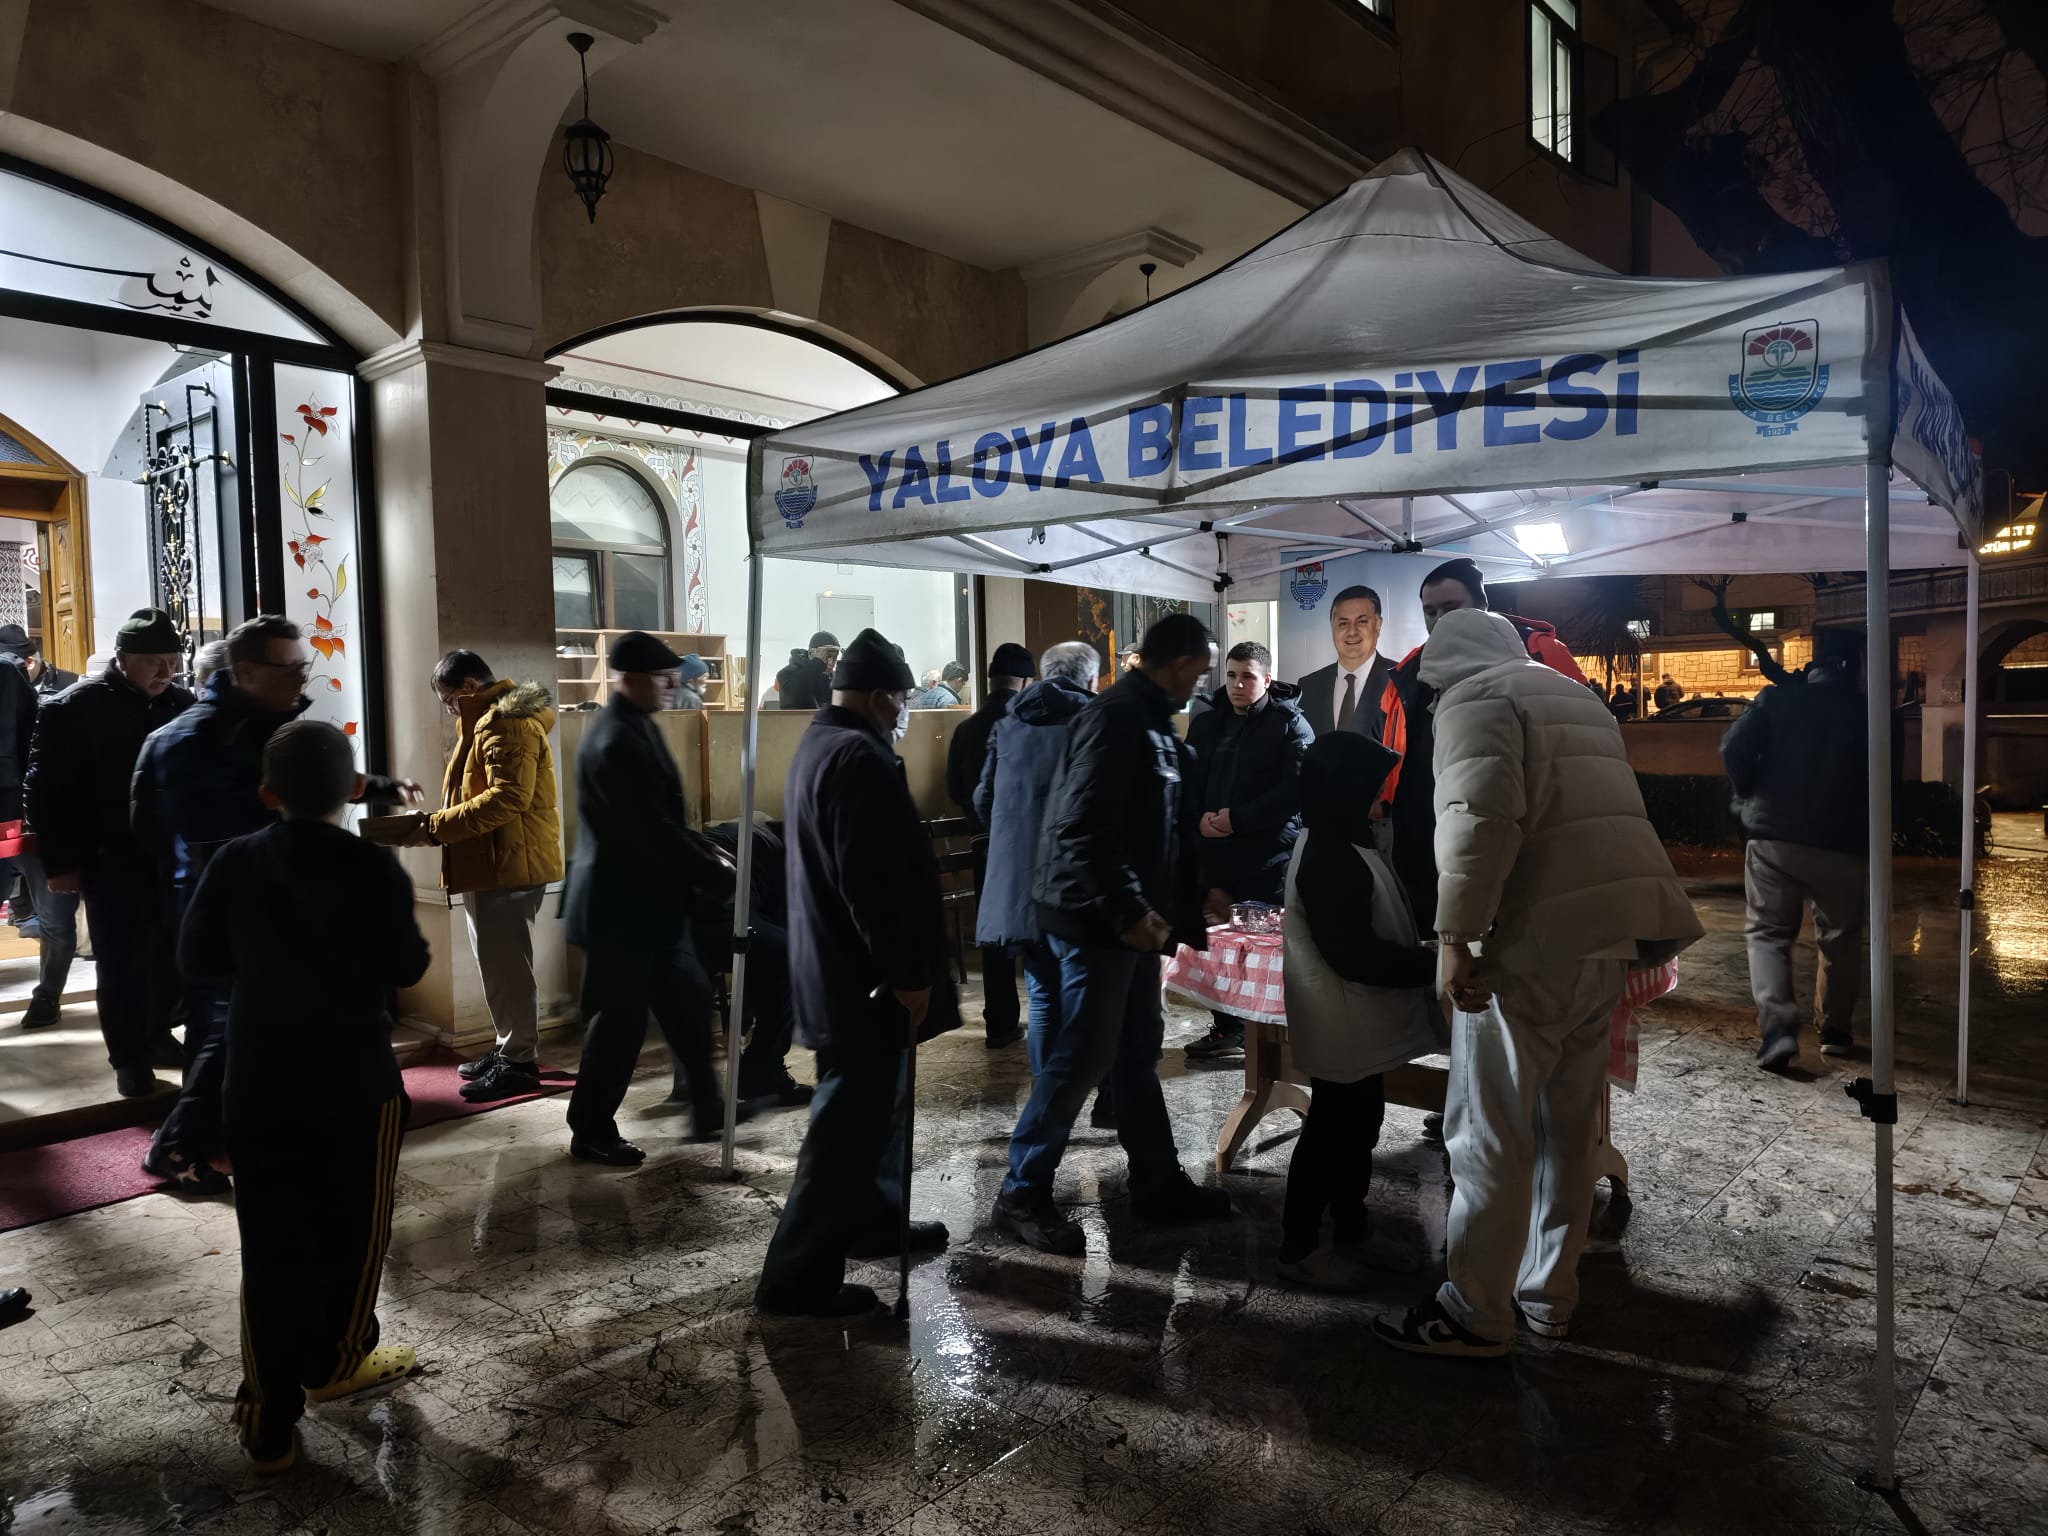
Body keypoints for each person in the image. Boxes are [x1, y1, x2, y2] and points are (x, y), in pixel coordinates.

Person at [1374, 610, 1700, 1359]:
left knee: (1490, 1129)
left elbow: (1477, 820)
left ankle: (1474, 1310)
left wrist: (1455, 938)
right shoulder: (1572, 695)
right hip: (1607, 941)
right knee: (1569, 1127)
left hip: (1527, 948)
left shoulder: (1474, 699)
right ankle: (1550, 1295)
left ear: (1442, 673)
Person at [179, 720, 430, 1472]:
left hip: (259, 1080)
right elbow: (410, 964)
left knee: (272, 1244)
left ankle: (266, 1416)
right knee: (355, 1233)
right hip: (354, 1078)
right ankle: (337, 1360)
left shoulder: (233, 862)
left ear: (266, 795)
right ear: (355, 790)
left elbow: (197, 956)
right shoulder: (372, 868)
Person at [135, 617, 420, 1193]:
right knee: (221, 1029)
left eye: (301, 666)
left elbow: (312, 777)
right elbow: (199, 824)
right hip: (226, 907)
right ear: (243, 672)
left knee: (227, 1031)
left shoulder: (261, 726)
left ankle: (205, 1137)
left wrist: (379, 787)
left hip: (254, 904)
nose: (300, 678)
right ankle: (177, 1145)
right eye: (287, 667)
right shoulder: (194, 738)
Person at [992, 614, 1232, 1255]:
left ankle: (1155, 1181)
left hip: (1122, 925)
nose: (1202, 681)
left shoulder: (1148, 717)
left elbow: (1152, 827)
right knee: (1079, 1059)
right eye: (1202, 669)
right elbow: (1082, 830)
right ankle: (1021, 1192)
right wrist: (1128, 910)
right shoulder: (1118, 717)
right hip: (1095, 924)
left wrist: (1187, 894)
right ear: (1180, 664)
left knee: (1132, 1055)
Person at [756, 627, 957, 1318]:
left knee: (875, 1114)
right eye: (900, 700)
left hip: (837, 971)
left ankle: (874, 1220)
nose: (904, 710)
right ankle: (795, 1279)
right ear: (877, 698)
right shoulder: (859, 758)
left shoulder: (820, 742)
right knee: (843, 1131)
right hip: (864, 983)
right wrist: (907, 971)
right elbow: (874, 883)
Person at [1278, 731, 1441, 1291]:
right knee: (1331, 1134)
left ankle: (1351, 1228)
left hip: (1352, 1020)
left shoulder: (1341, 839)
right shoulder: (1328, 856)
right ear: (1344, 791)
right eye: (1373, 791)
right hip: (1341, 1017)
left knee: (1358, 1123)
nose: (1381, 802)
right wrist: (1435, 968)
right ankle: (1298, 1247)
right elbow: (1355, 955)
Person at [561, 632, 732, 1164]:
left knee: (688, 997)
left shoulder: (634, 727)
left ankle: (707, 1107)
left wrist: (699, 855)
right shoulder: (616, 740)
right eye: (662, 678)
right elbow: (646, 827)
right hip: (620, 910)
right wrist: (709, 864)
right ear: (632, 679)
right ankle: (589, 1129)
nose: (671, 686)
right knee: (618, 1025)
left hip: (649, 906)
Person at [24, 609, 193, 1097]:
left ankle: (158, 1033)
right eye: (151, 662)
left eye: (170, 661)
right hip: (108, 857)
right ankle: (129, 1058)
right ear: (122, 659)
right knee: (121, 961)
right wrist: (60, 863)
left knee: (170, 955)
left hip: (172, 858)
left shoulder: (182, 703)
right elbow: (44, 792)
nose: (164, 672)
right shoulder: (71, 707)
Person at [1377, 557, 1587, 934]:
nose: (1440, 618)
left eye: (1451, 607)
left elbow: (1576, 741)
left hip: (1521, 841)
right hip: (1425, 841)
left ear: (1482, 604)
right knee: (1442, 959)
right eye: (1430, 611)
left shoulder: (1539, 656)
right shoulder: (1409, 671)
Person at [406, 650, 565, 1105]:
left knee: (509, 968)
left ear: (471, 686)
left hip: (509, 862)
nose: (450, 709)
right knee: (497, 964)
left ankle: (519, 1062)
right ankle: (507, 1048)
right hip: (494, 860)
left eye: (450, 700)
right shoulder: (485, 720)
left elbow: (509, 798)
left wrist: (439, 826)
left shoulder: (505, 722)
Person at [1719, 645, 1869, 1069]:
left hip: (1773, 837)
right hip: (1844, 841)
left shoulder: (1776, 698)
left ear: (1811, 670)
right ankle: (1835, 1030)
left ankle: (1779, 1032)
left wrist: (1748, 793)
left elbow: (1733, 748)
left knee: (1768, 934)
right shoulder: (1870, 711)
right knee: (1840, 936)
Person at [1182, 642, 1314, 1062]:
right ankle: (1226, 1026)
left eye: (1248, 677)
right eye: (1233, 675)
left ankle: (1273, 1041)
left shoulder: (1290, 723)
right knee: (1216, 947)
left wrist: (1237, 819)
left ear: (1267, 680)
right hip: (1212, 853)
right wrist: (1199, 818)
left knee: (1263, 953)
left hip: (1265, 856)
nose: (1239, 684)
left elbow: (1295, 791)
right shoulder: (1206, 722)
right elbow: (1188, 779)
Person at [975, 642, 1098, 1080]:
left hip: (1021, 883)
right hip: (1078, 884)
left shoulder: (1010, 722)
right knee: (1094, 997)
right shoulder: (1094, 719)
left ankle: (1048, 1096)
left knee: (1043, 995)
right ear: (1090, 680)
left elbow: (983, 799)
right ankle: (1102, 1096)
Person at [946, 641, 1036, 1050]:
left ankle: (1000, 1024)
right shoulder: (1032, 725)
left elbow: (953, 789)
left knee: (996, 935)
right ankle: (1048, 1018)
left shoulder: (966, 729)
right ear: (1027, 681)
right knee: (1039, 932)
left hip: (985, 844)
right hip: (1032, 844)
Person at [697, 817, 812, 1109]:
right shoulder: (784, 855)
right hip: (716, 920)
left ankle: (697, 1084)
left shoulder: (749, 829)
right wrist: (742, 1019)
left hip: (673, 925)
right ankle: (763, 1074)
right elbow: (754, 946)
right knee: (793, 956)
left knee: (774, 952)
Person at [1297, 585, 1393, 740]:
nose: (1352, 632)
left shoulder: (1401, 680)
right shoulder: (1308, 686)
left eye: (1362, 622)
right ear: (1332, 627)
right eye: (1343, 623)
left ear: (1378, 624)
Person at [775, 632, 838, 712]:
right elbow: (795, 696)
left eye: (835, 656)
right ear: (812, 653)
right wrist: (817, 665)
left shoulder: (834, 678)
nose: (831, 662)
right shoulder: (787, 674)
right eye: (827, 655)